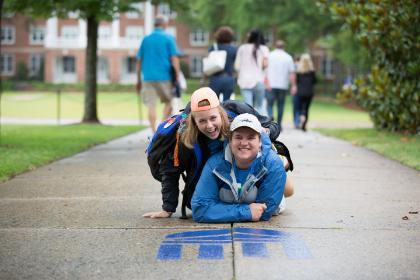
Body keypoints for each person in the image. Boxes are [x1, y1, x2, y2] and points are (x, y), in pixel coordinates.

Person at [143, 87, 289, 219]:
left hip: (245, 173)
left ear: (221, 113)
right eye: (202, 121)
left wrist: (265, 132)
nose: (210, 126)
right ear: (194, 121)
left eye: (213, 118)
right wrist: (167, 208)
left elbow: (272, 126)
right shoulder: (186, 139)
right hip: (211, 183)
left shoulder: (237, 112)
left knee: (287, 186)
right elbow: (170, 171)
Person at [191, 113, 286, 223]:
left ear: (260, 141)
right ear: (230, 141)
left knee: (287, 186)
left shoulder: (273, 164)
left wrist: (218, 210)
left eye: (251, 137)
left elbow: (263, 212)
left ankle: (285, 169)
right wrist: (245, 211)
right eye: (238, 137)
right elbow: (200, 209)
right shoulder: (214, 164)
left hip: (274, 173)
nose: (244, 143)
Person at [136, 14, 181, 132]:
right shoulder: (168, 38)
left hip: (148, 77)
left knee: (151, 105)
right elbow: (174, 59)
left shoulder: (146, 39)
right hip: (164, 77)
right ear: (165, 24)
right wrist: (177, 75)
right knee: (169, 102)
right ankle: (161, 128)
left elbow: (139, 60)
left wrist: (138, 80)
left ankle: (153, 131)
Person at [235, 29, 269, 114]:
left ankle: (249, 126)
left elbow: (237, 66)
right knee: (259, 106)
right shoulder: (264, 49)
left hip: (244, 80)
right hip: (259, 80)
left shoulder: (242, 48)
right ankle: (260, 125)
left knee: (247, 107)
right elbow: (265, 65)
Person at [265, 40, 297, 131]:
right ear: (284, 47)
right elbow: (292, 73)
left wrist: (266, 82)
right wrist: (293, 85)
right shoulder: (288, 57)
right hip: (283, 85)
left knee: (270, 104)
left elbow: (265, 71)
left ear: (275, 46)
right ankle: (279, 124)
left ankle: (270, 119)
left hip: (271, 84)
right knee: (281, 105)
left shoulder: (270, 56)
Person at [207, 26, 237, 101]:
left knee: (214, 102)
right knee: (227, 103)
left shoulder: (213, 47)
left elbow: (209, 61)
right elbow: (236, 65)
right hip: (228, 78)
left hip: (215, 78)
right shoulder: (233, 49)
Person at [296, 54, 317, 131]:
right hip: (309, 92)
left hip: (301, 92)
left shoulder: (299, 72)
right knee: (306, 108)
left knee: (301, 107)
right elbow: (315, 81)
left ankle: (302, 118)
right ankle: (304, 123)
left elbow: (297, 81)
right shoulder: (312, 72)